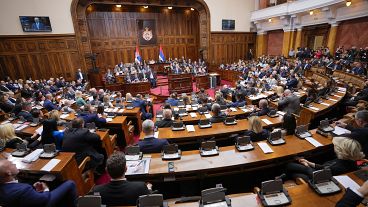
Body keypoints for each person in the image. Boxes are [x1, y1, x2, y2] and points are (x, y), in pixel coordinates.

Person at [0, 159, 77, 207]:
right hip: (44, 202)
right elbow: (44, 199)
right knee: (70, 183)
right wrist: (46, 189)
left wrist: (34, 191)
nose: (15, 164)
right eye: (11, 164)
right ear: (8, 173)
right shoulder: (24, 189)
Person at [283, 137, 364, 182]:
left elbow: (318, 175)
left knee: (292, 169)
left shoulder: (337, 166)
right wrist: (310, 163)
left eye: (336, 146)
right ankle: (284, 177)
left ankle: (283, 178)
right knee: (293, 169)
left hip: (320, 179)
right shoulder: (352, 161)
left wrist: (307, 166)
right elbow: (324, 167)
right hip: (324, 173)